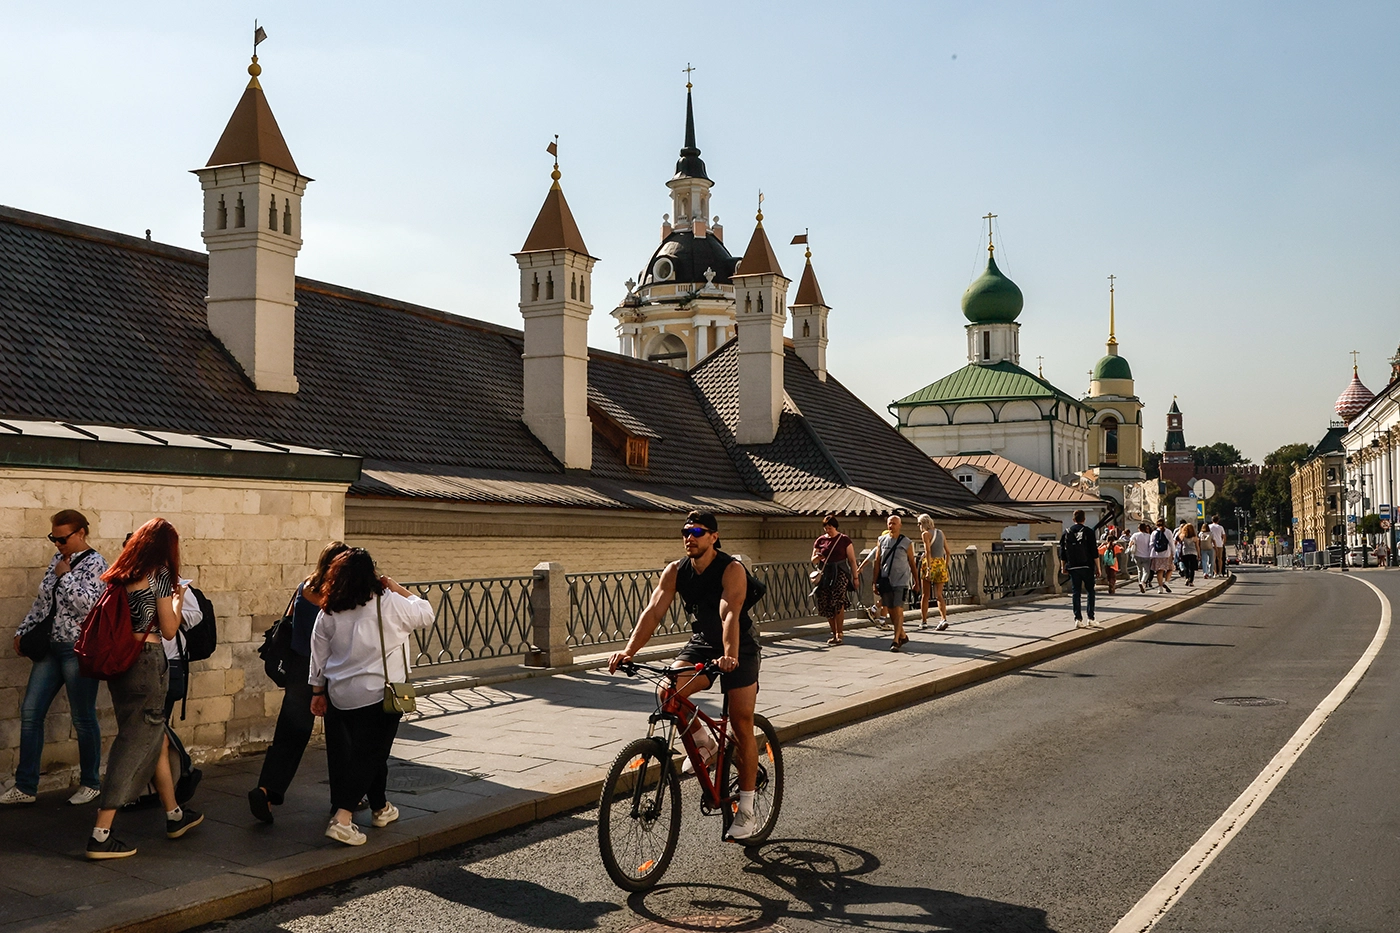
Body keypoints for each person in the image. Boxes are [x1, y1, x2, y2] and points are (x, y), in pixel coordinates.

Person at [606, 510, 764, 841]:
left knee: (740, 720)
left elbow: (729, 613)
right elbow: (653, 611)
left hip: (739, 646)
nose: (689, 536)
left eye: (697, 531)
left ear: (714, 537)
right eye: (685, 531)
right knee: (668, 692)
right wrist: (629, 651)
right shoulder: (676, 571)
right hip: (703, 642)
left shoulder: (731, 568)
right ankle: (705, 743)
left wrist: (731, 655)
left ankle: (747, 809)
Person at [86, 518, 202, 859]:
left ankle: (174, 815)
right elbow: (168, 630)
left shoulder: (121, 573)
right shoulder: (161, 574)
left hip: (122, 665)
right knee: (134, 744)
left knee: (155, 738)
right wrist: (178, 602)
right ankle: (101, 833)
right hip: (148, 662)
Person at [309, 548, 434, 846]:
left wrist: (317, 691)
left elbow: (319, 655)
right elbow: (426, 614)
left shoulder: (328, 610)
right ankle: (342, 818)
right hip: (381, 695)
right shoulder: (389, 603)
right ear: (372, 574)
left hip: (341, 695)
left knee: (370, 752)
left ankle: (381, 808)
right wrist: (398, 588)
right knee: (370, 755)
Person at [4, 510, 108, 806]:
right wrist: (22, 631)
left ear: (81, 534)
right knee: (30, 712)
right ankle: (25, 786)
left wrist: (67, 577)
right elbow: (42, 604)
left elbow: (88, 607)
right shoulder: (57, 561)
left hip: (77, 648)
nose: (57, 544)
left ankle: (91, 782)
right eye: (53, 538)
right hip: (50, 647)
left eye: (62, 538)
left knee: (83, 716)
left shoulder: (96, 564)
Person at [249, 541, 350, 824]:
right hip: (332, 670)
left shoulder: (303, 587)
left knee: (289, 734)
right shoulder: (340, 596)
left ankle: (266, 790)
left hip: (299, 668)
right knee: (341, 736)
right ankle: (344, 801)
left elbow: (291, 622)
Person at [871, 515, 917, 651]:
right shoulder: (881, 540)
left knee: (898, 609)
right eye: (890, 523)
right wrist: (874, 582)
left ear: (900, 525)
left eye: (894, 523)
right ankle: (902, 635)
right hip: (886, 580)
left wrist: (916, 581)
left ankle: (895, 640)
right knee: (891, 610)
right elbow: (877, 561)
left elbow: (912, 563)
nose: (892, 526)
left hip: (901, 580)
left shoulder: (906, 542)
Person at [811, 517, 857, 646]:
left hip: (840, 572)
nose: (828, 530)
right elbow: (813, 560)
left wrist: (855, 577)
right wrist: (817, 557)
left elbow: (852, 560)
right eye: (826, 528)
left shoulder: (844, 540)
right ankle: (833, 632)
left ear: (835, 527)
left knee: (838, 600)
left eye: (830, 527)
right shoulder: (820, 540)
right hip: (825, 573)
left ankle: (839, 632)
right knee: (826, 601)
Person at [1059, 510, 1100, 627]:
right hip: (1087, 566)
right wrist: (1098, 567)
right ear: (1084, 519)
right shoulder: (1089, 532)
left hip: (1073, 566)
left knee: (1076, 592)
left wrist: (1063, 567)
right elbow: (1094, 552)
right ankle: (1091, 618)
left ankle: (1078, 619)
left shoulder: (1066, 532)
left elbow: (1062, 552)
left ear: (1073, 520)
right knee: (1090, 591)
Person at [917, 514, 951, 631]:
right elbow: (948, 552)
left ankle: (924, 621)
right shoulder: (940, 532)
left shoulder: (925, 534)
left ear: (923, 524)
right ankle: (943, 618)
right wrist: (945, 566)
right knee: (939, 595)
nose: (918, 526)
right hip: (941, 564)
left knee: (925, 595)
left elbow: (928, 551)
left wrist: (929, 569)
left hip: (930, 564)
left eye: (919, 523)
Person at [1150, 518, 1174, 593]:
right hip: (1167, 554)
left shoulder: (1154, 533)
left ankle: (1160, 588)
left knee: (1159, 571)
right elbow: (1171, 543)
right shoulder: (1168, 532)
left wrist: (1151, 554)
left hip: (1157, 554)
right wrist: (1173, 553)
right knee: (1170, 568)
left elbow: (1151, 544)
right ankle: (1166, 582)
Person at [1129, 522, 1153, 594]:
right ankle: (1143, 582)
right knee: (1146, 571)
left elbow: (1131, 543)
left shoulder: (1135, 535)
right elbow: (1151, 545)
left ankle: (1141, 584)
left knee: (1139, 571)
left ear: (1138, 528)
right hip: (1146, 555)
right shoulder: (1149, 536)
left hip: (1137, 555)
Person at [1099, 523, 1119, 596]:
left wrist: (1101, 545)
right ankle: (1112, 585)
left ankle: (1109, 583)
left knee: (1108, 576)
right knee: (1113, 576)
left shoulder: (1105, 547)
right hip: (1114, 563)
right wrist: (1117, 544)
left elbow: (1098, 550)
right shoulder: (1114, 547)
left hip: (1107, 563)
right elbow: (1121, 549)